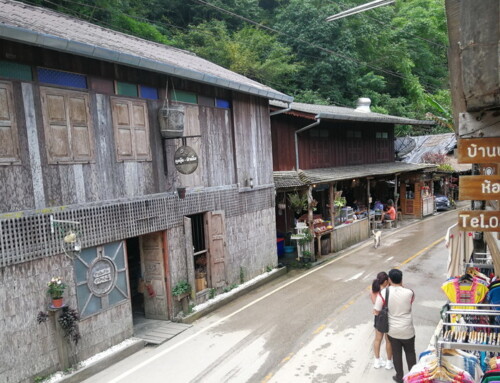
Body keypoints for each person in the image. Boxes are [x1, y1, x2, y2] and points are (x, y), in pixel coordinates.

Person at [374, 269, 416, 383]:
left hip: (393, 330)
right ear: (401, 279)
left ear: (389, 280)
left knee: (396, 354)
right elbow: (409, 304)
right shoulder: (410, 292)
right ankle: (413, 377)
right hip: (408, 329)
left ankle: (399, 377)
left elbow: (376, 310)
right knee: (410, 352)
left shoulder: (383, 293)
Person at [370, 272, 393, 369]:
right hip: (389, 316)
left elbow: (375, 305)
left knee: (377, 339)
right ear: (386, 281)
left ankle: (377, 361)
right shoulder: (388, 291)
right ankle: (388, 363)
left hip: (378, 316)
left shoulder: (373, 290)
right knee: (388, 341)